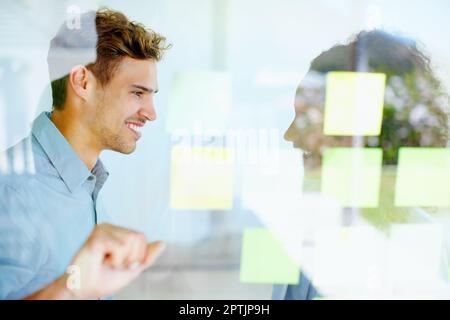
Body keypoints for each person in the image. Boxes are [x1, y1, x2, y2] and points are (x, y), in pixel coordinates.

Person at [0, 8, 170, 299]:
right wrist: (71, 289)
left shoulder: (87, 184)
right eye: (137, 93)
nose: (151, 113)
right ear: (82, 82)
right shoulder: (13, 192)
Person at [273, 30, 449, 299]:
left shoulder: (422, 248)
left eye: (308, 117)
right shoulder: (315, 230)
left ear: (361, 136)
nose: (290, 135)